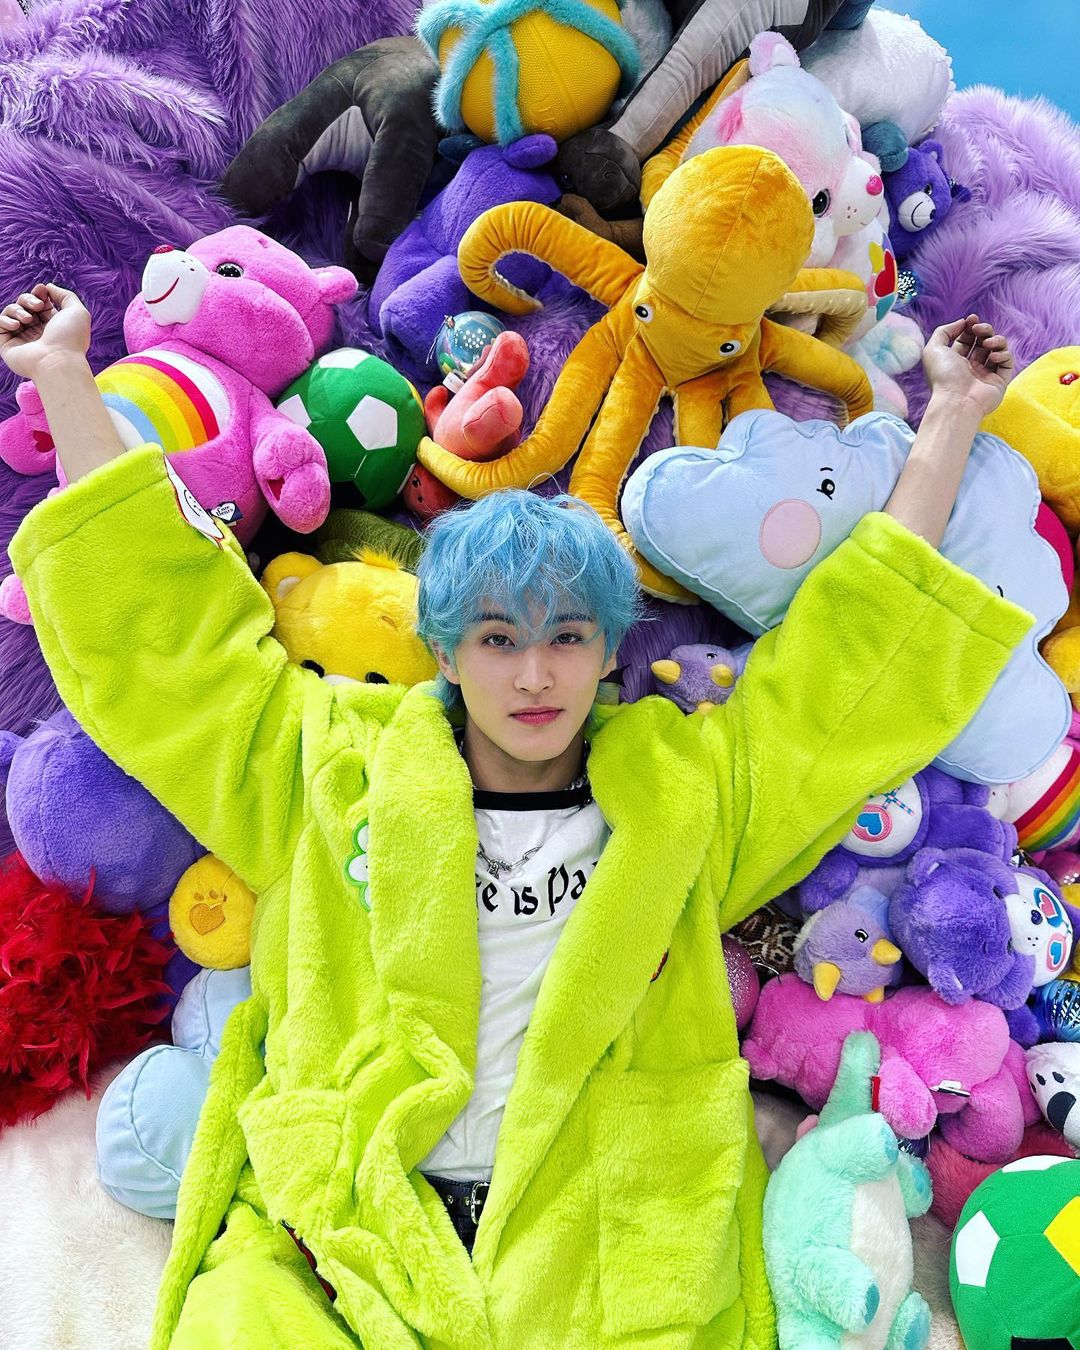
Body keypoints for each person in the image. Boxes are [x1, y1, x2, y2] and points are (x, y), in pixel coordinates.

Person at [0, 282, 1026, 1350]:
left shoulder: (688, 793)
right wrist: (65, 375)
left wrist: (953, 410)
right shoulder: (328, 769)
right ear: (444, 651)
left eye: (566, 637)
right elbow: (171, 650)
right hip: (351, 1227)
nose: (534, 676)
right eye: (498, 639)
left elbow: (844, 678)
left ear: (608, 647)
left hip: (603, 1234)